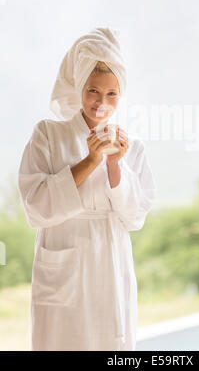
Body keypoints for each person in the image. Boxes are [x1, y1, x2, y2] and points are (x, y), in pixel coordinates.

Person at [17, 27, 157, 351]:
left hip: (111, 262)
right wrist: (91, 160)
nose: (101, 104)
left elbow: (135, 218)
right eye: (93, 91)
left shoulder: (130, 146)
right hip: (62, 265)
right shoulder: (48, 135)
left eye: (112, 94)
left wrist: (113, 165)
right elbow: (35, 207)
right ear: (80, 86)